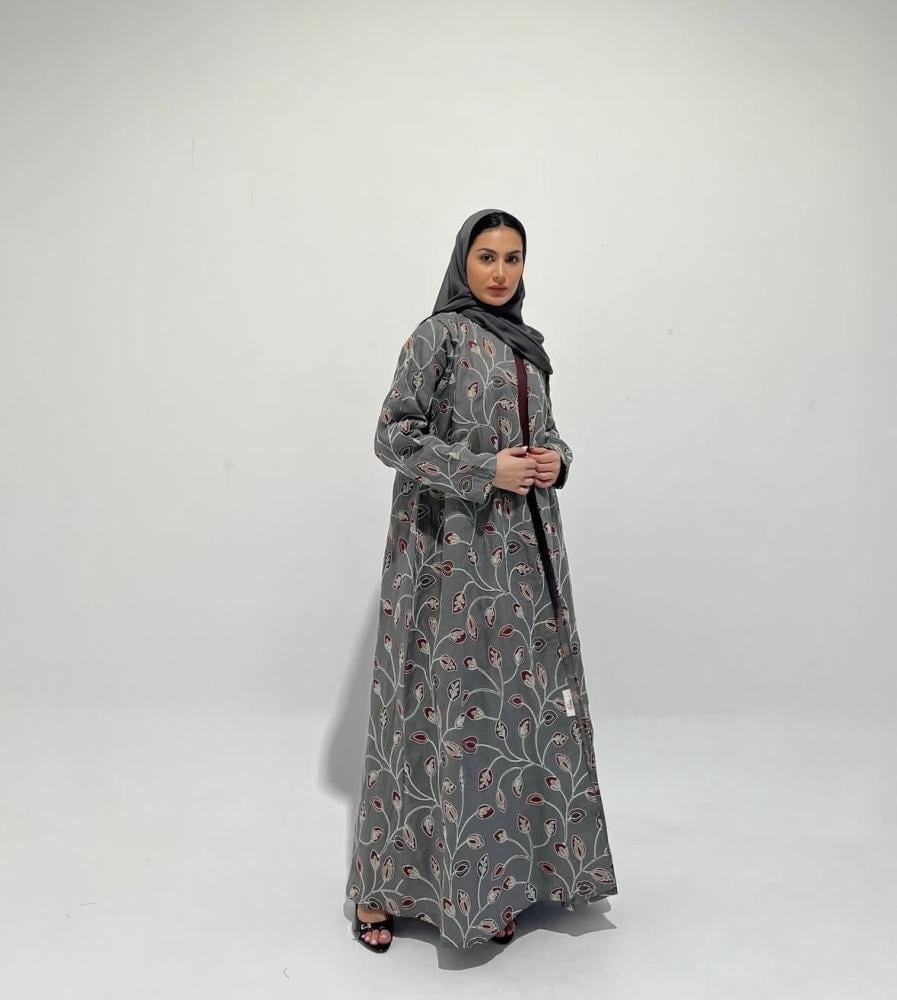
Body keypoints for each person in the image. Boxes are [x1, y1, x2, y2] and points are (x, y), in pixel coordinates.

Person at [345, 209, 618, 952]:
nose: (500, 272)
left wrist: (556, 459)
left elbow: (544, 433)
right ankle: (383, 888)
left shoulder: (528, 349)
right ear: (462, 260)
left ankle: (497, 886)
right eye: (487, 256)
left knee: (507, 716)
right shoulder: (436, 336)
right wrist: (480, 469)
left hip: (521, 560)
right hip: (450, 559)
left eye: (513, 258)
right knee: (434, 709)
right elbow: (392, 436)